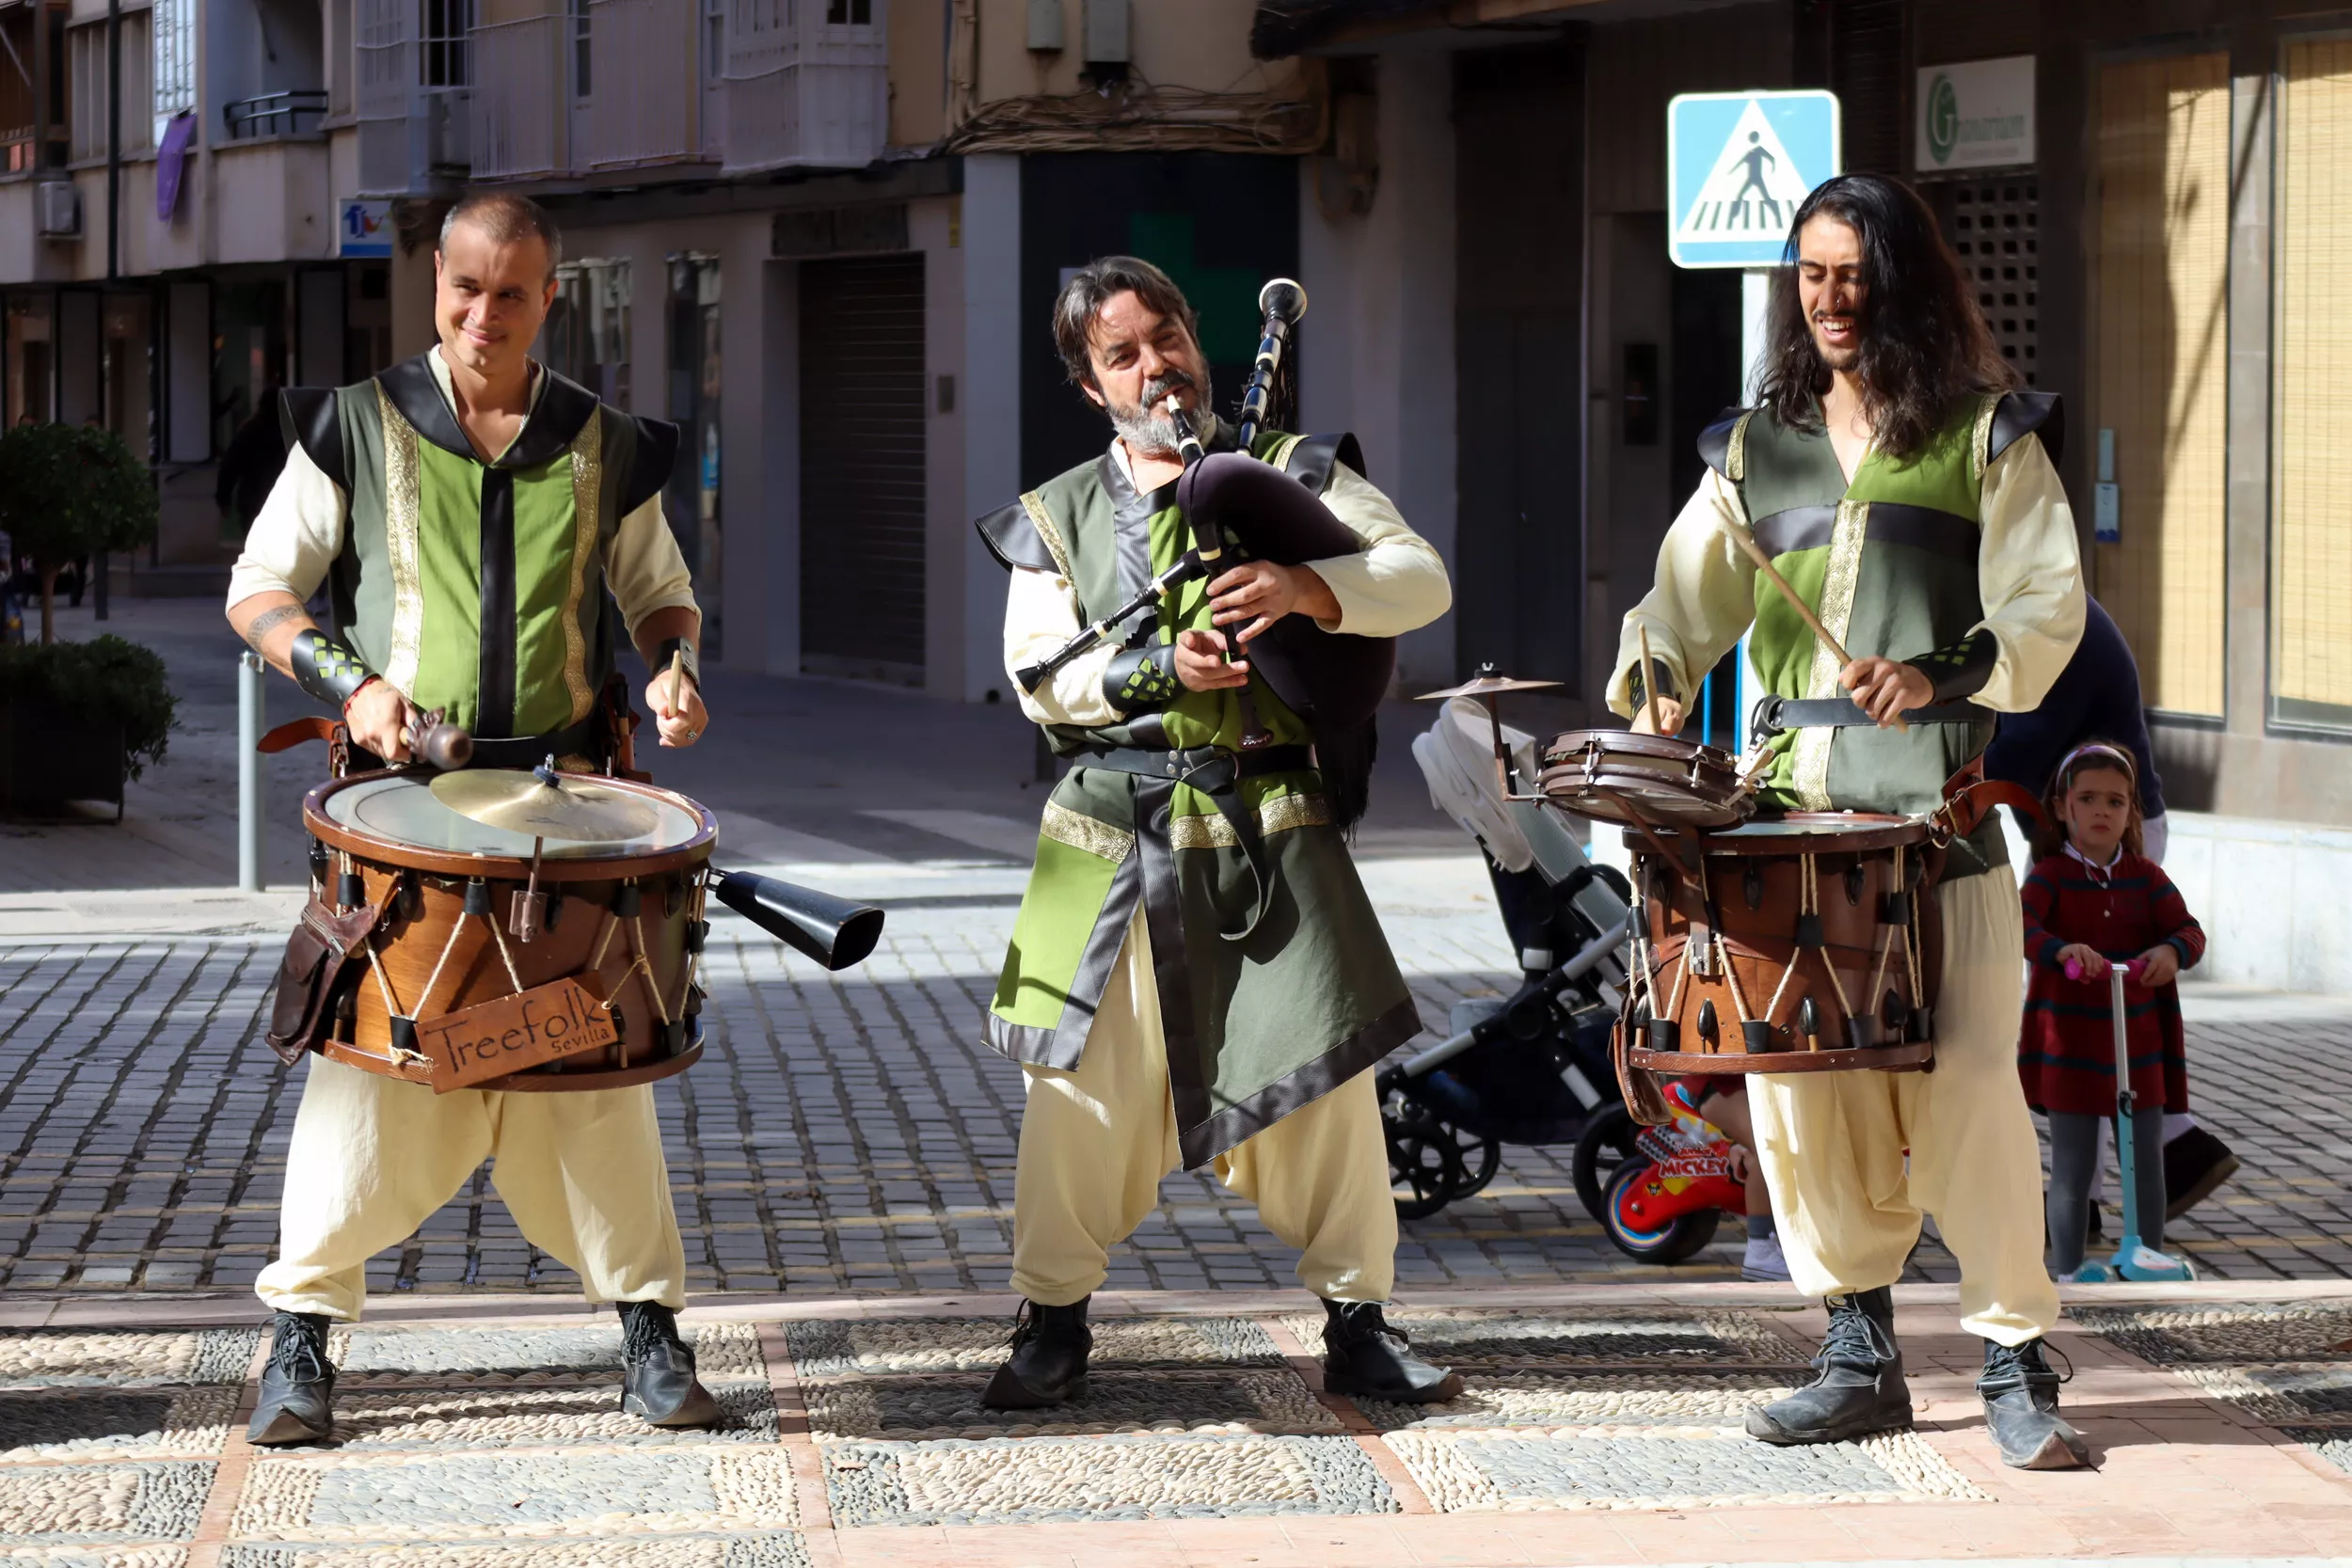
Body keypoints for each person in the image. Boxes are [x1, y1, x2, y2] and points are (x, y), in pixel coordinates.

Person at [1615, 173, 2091, 1470]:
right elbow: (1676, 608)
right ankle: (1859, 1349)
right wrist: (1652, 693)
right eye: (1812, 275)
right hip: (1789, 828)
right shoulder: (1752, 448)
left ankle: (2012, 1352)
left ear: (1902, 282)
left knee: (1976, 1091)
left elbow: (2048, 607)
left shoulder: (1987, 434)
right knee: (1798, 1103)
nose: (1830, 301)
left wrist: (1942, 673)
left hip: (1937, 827)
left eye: (1854, 275)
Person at [224, 192, 715, 1446]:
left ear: (552, 296)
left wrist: (670, 668)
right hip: (403, 822)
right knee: (368, 1079)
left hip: (565, 822)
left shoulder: (604, 442)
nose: (484, 316)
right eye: (463, 290)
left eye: (511, 293)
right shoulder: (353, 426)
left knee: (593, 1073)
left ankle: (650, 1328)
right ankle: (302, 1338)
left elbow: (657, 593)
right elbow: (260, 589)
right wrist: (353, 682)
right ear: (432, 287)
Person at [972, 256, 1460, 1408]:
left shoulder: (1298, 472)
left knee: (1328, 1085)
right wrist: (1158, 664)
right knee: (1071, 1089)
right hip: (1105, 826)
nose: (1157, 367)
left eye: (1166, 337)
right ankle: (1050, 1321)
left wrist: (1303, 585)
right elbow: (1038, 678)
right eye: (1123, 354)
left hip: (1269, 819)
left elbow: (1418, 577)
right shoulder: (1056, 513)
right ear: (1091, 386)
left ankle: (1359, 1321)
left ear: (1199, 338)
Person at [1984, 596, 2237, 1219]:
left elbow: (2017, 746)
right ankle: (2159, 1162)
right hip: (2079, 842)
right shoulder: (2041, 614)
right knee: (2089, 1028)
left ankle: (2127, 1177)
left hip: (2113, 840)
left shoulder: (2061, 621)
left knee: (2092, 1028)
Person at [2021, 743, 2205, 1276]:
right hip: (2073, 1043)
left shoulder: (2145, 877)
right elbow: (2025, 928)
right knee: (2074, 1166)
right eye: (2088, 799)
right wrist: (2062, 950)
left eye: (2116, 802)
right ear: (2062, 808)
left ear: (2131, 812)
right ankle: (2071, 1267)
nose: (2103, 811)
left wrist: (2172, 952)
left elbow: (2189, 930)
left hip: (2137, 1040)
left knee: (2144, 1160)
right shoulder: (2050, 876)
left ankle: (2146, 1253)